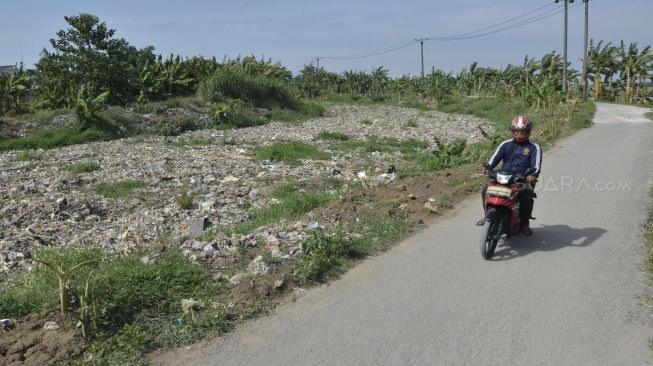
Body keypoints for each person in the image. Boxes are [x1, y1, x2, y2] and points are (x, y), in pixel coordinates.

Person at [477, 116, 542, 236]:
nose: (520, 133)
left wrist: (533, 175)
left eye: (523, 131)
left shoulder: (534, 147)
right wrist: (488, 168)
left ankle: (524, 224)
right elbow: (494, 159)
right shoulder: (505, 144)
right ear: (512, 130)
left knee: (526, 196)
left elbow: (536, 165)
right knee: (486, 189)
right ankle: (487, 215)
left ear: (528, 131)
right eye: (517, 130)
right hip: (503, 176)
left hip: (523, 178)